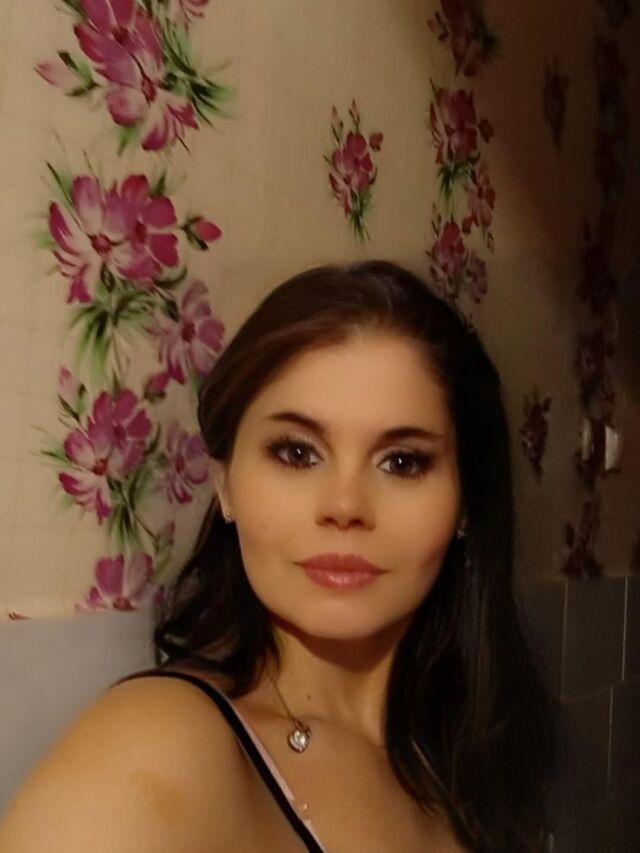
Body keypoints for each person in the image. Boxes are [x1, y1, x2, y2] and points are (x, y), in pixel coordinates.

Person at [0, 261, 556, 852]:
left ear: (466, 502)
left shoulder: (460, 750)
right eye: (296, 452)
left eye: (402, 461)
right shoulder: (158, 746)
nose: (344, 505)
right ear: (225, 484)